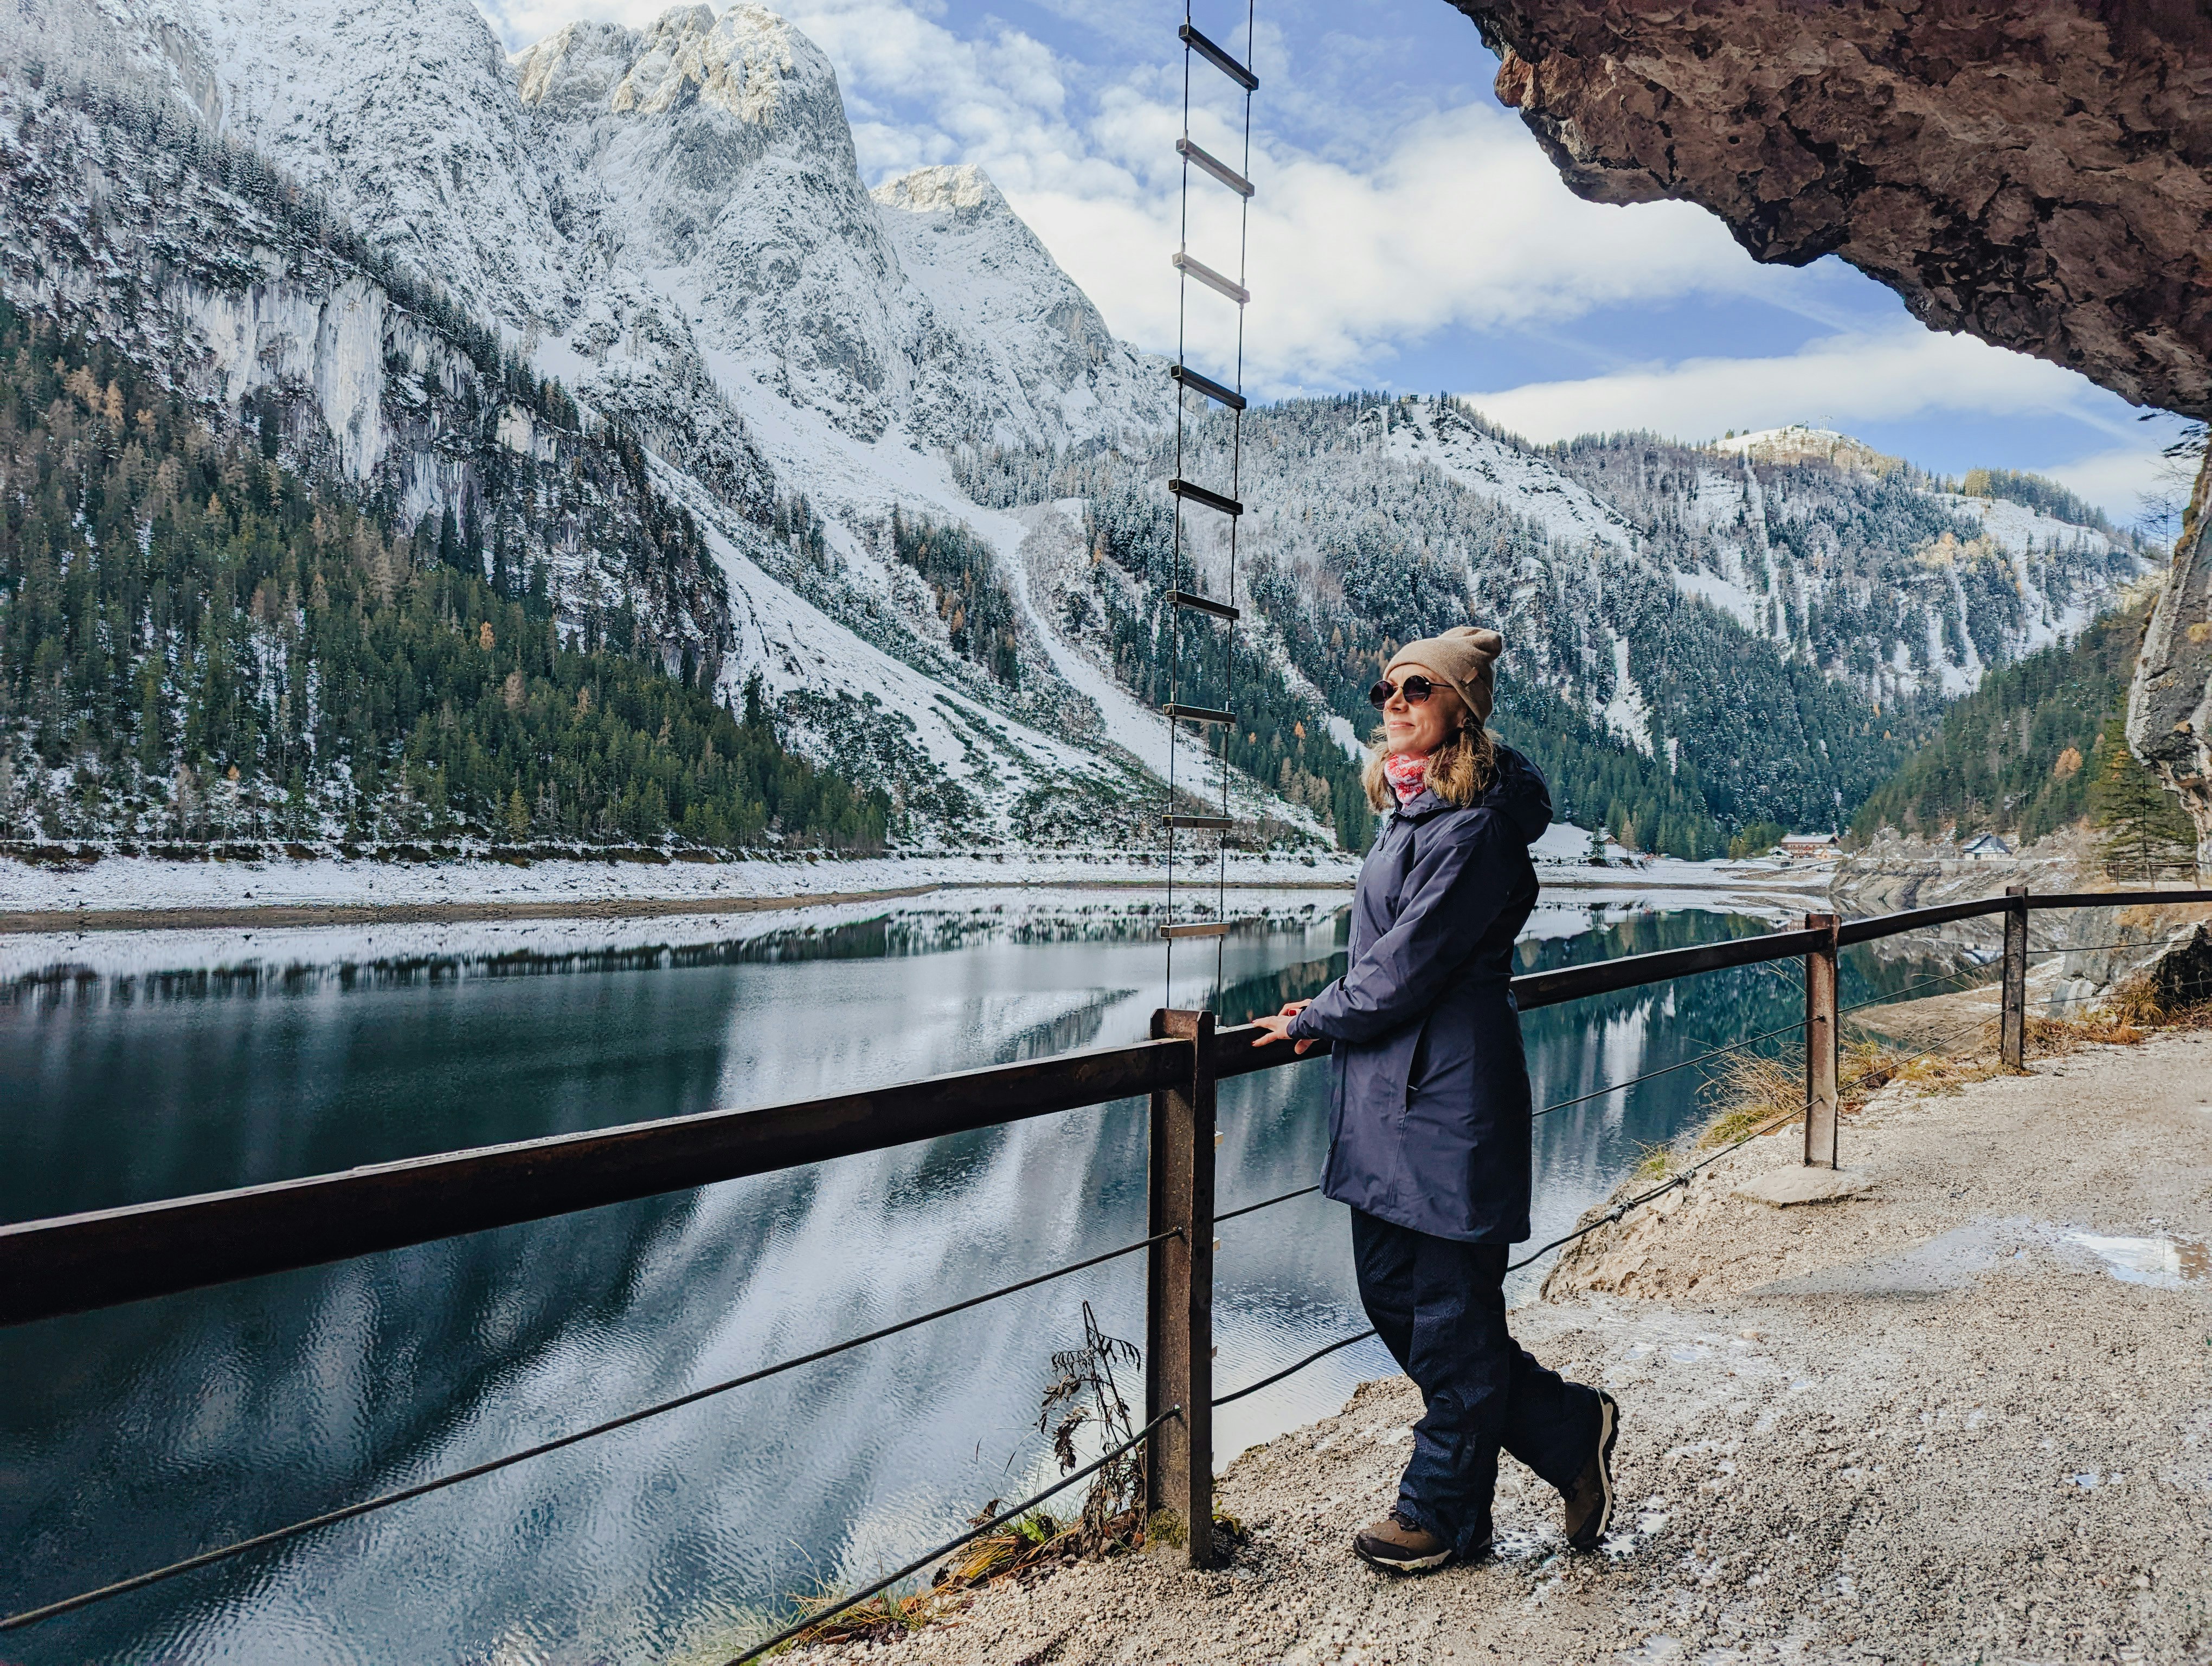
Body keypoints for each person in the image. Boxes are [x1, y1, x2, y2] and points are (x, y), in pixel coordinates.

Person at [1251, 626, 1618, 1573]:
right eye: (1386, 689)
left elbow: (1409, 967)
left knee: (1453, 1322)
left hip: (1450, 1105)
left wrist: (1322, 1017)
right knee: (1395, 1300)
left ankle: (1443, 1512)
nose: (1395, 701)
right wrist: (1322, 1005)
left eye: (1418, 687)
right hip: (1385, 1105)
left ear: (1464, 705)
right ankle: (1570, 1429)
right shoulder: (1414, 814)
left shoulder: (1480, 828)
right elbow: (1383, 957)